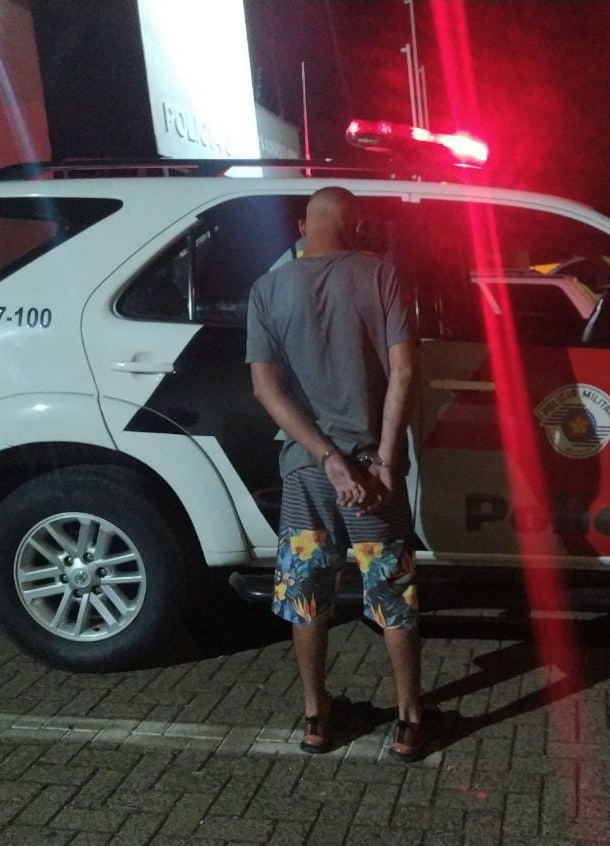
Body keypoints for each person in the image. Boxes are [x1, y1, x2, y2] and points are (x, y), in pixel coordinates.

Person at [245, 186, 424, 760]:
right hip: (375, 475)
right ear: (358, 225)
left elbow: (265, 387)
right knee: (392, 593)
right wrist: (384, 461)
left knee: (307, 594)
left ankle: (316, 718)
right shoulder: (382, 275)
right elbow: (404, 371)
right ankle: (409, 722)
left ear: (303, 226)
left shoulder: (268, 288)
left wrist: (326, 457)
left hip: (306, 472)